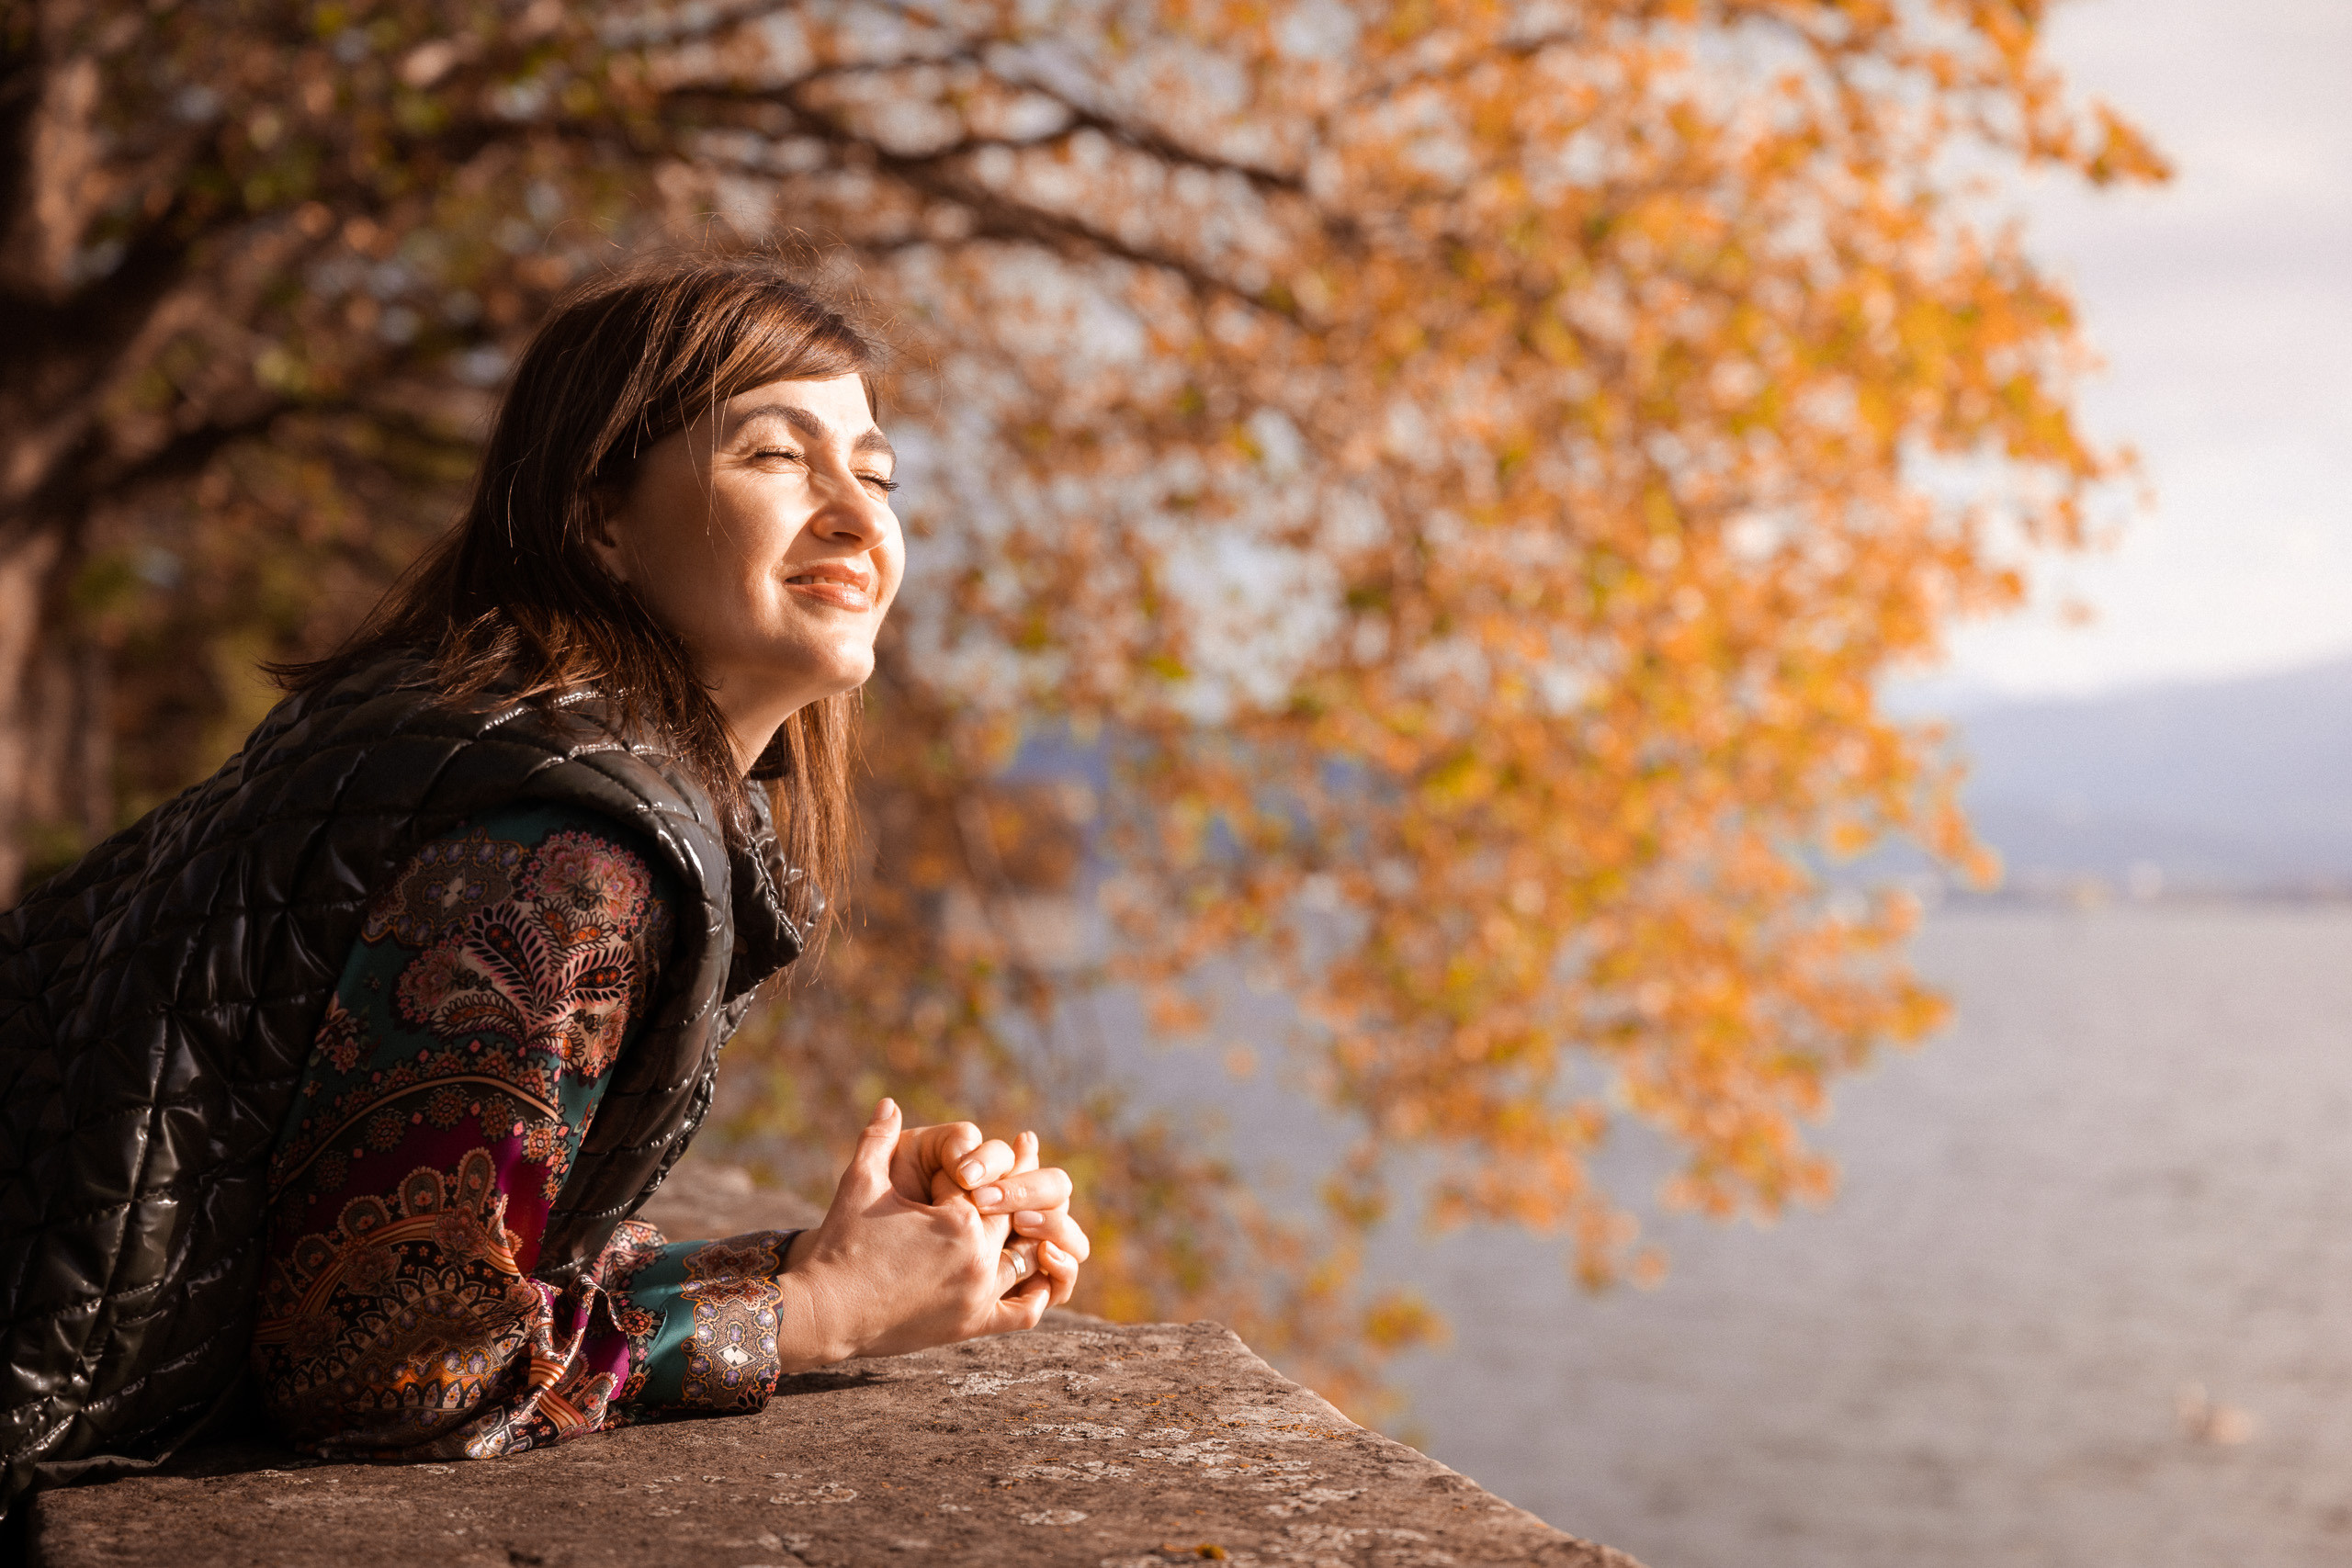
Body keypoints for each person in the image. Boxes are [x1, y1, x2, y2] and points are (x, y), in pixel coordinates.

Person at [0, 254, 1089, 1510]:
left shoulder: (505, 744)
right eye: (778, 457)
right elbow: (389, 1365)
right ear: (598, 519)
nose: (857, 513)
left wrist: (829, 1259)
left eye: (878, 473)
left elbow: (434, 1255)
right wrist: (821, 1314)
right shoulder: (561, 855)